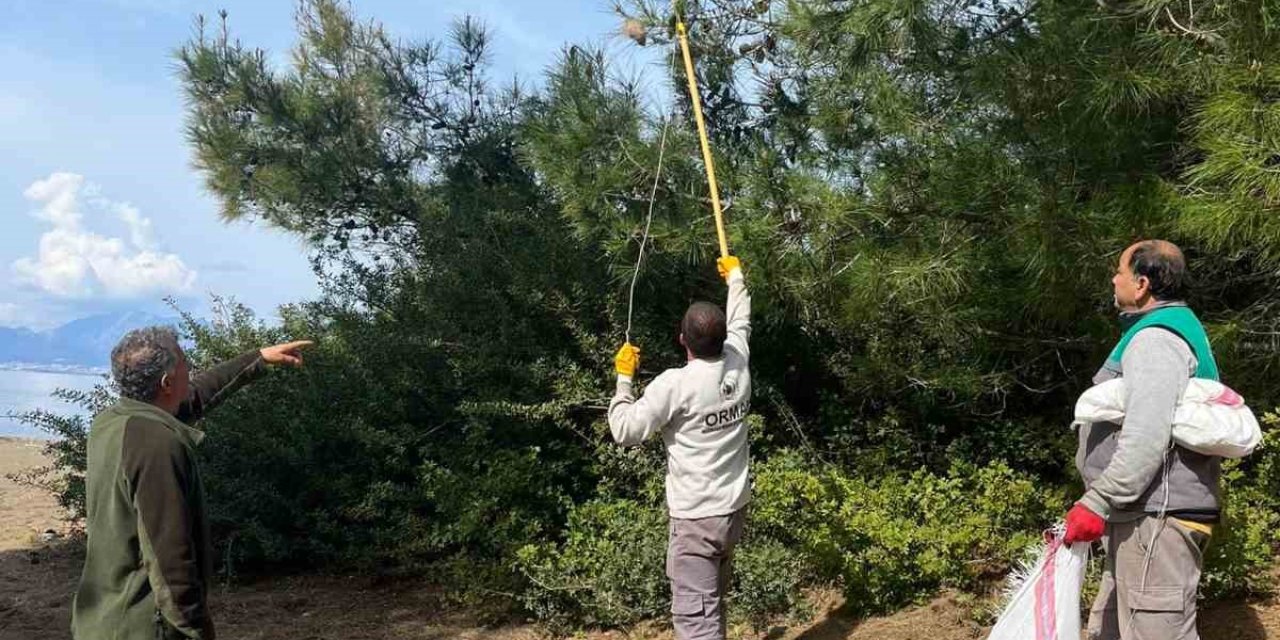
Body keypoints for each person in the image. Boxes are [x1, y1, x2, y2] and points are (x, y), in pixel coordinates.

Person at [72, 326, 312, 640]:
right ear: (167, 382)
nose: (191, 369)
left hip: (102, 619)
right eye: (185, 363)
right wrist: (197, 629)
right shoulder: (156, 445)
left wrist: (259, 358)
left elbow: (191, 397)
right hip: (143, 627)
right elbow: (169, 556)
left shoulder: (112, 422)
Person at [1063, 240, 1220, 640]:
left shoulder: (1156, 340)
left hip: (1156, 519)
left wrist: (1097, 501)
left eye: (1119, 271)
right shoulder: (1169, 331)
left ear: (1142, 284)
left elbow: (1146, 435)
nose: (1113, 279)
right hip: (1144, 517)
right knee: (1108, 631)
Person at [608, 255, 751, 640]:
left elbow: (624, 429)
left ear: (682, 338)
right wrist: (735, 278)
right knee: (712, 605)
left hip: (697, 523)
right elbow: (741, 319)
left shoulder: (676, 385)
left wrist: (624, 379)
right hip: (732, 511)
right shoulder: (738, 360)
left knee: (697, 623)